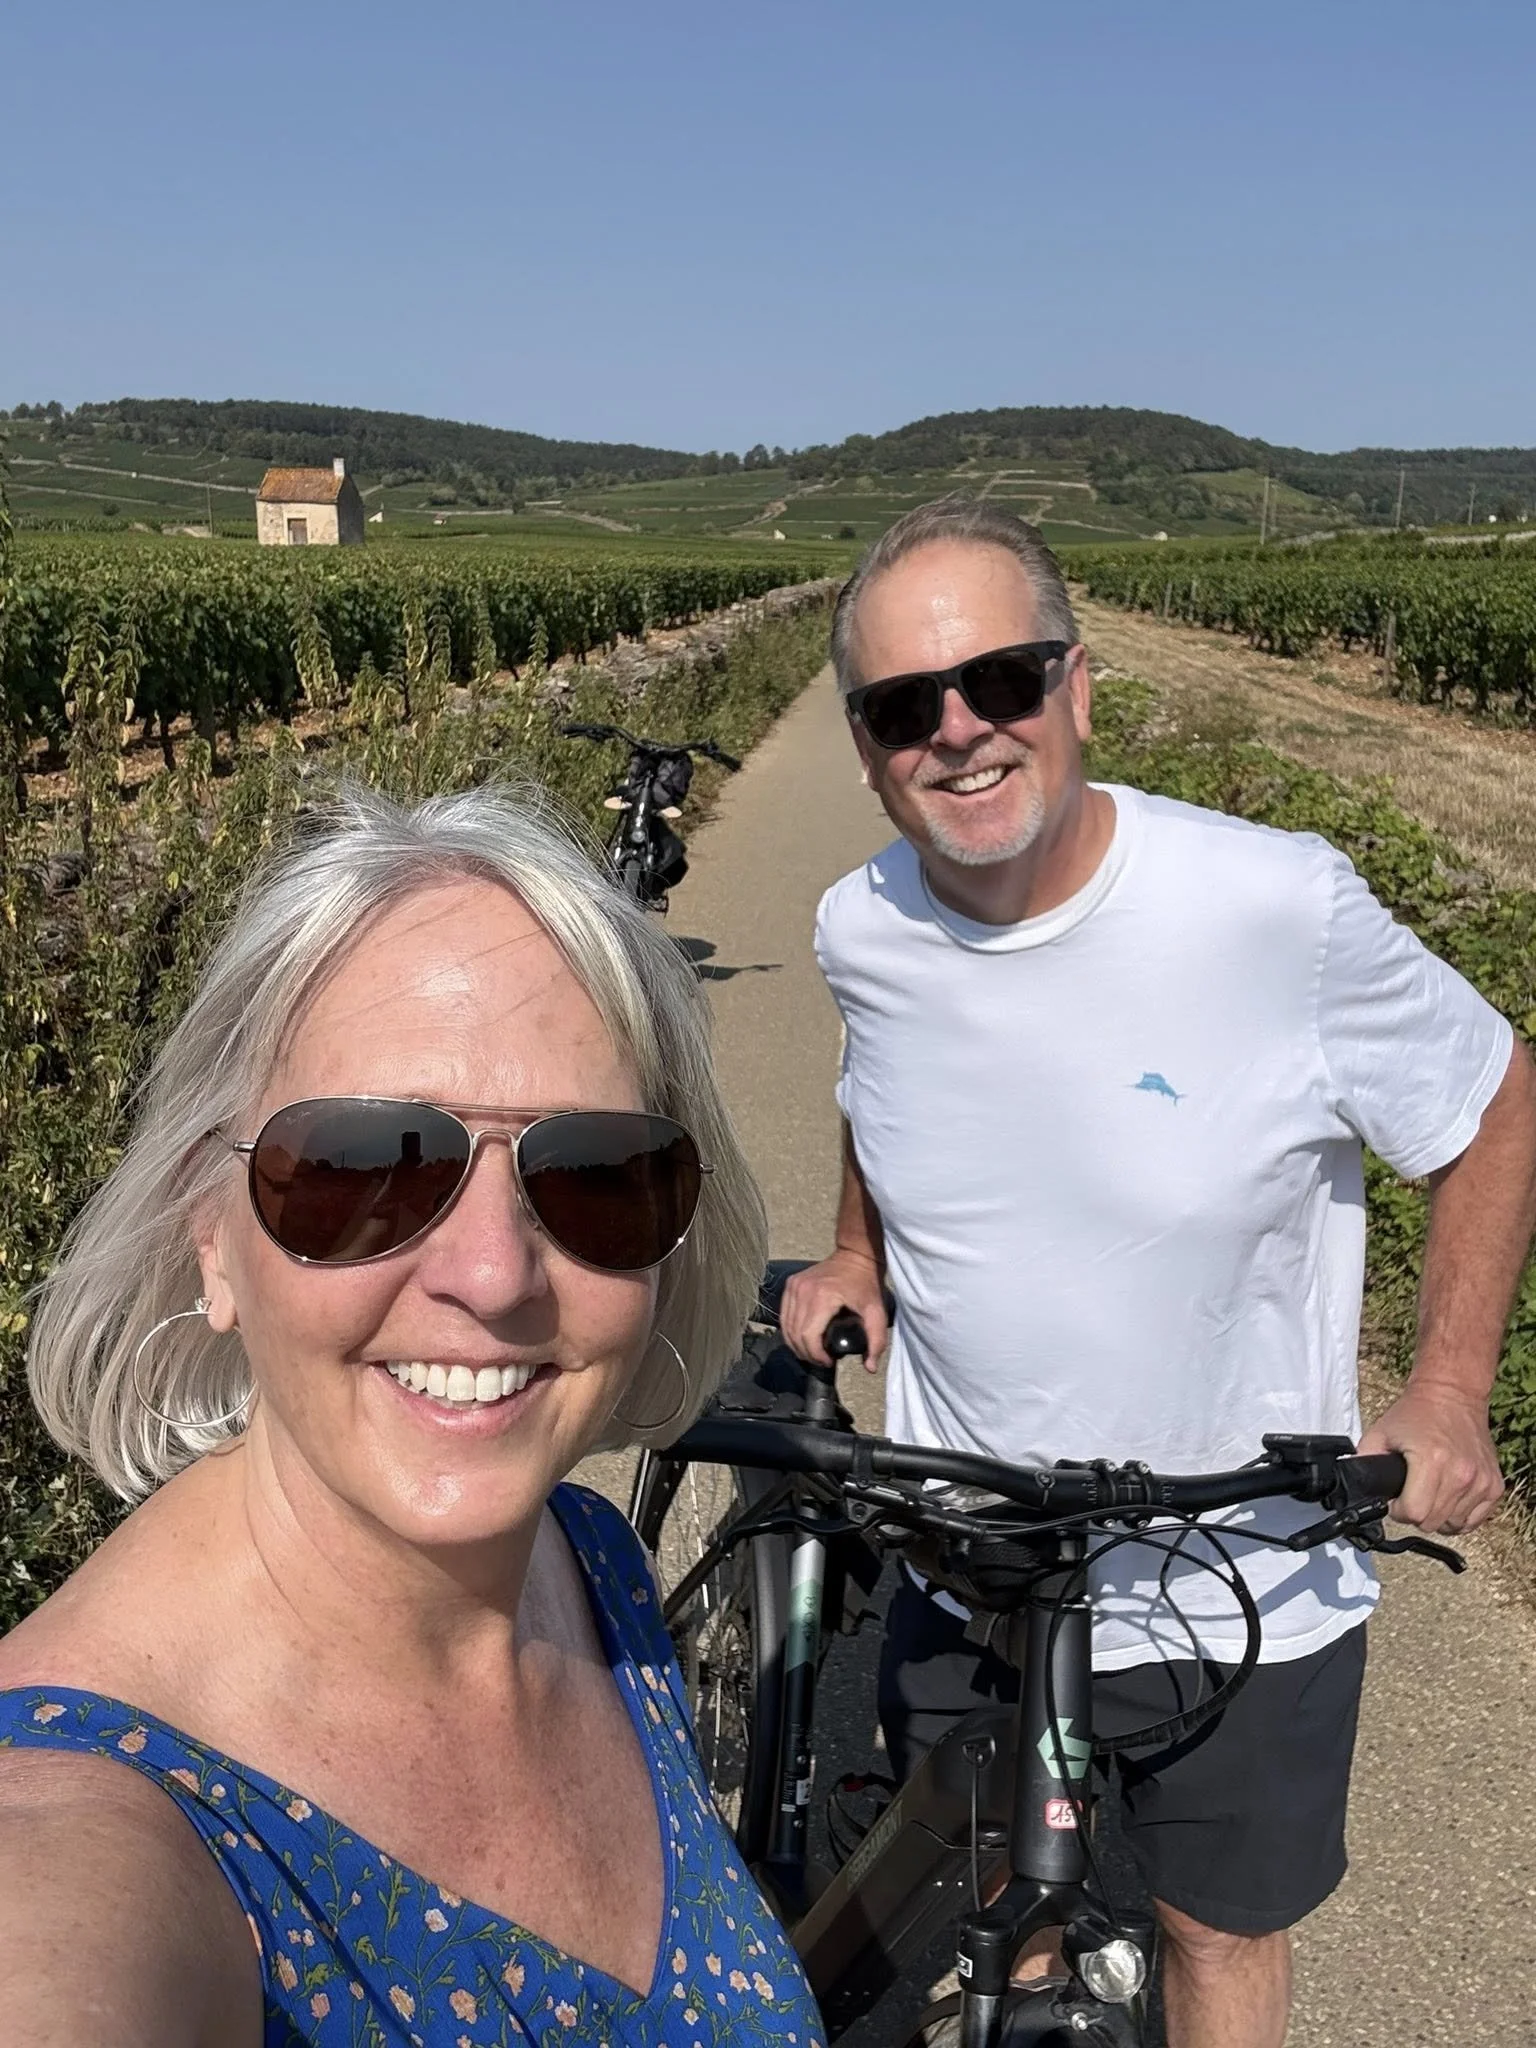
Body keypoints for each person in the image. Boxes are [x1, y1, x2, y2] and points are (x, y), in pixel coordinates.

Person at [780, 498, 1536, 2048]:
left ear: (1078, 686)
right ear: (863, 746)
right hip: (968, 1554)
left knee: (1214, 1937)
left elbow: (1496, 1097)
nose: (960, 733)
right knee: (1006, 1918)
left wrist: (1450, 1390)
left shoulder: (1272, 906)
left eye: (1001, 679)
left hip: (1237, 1573)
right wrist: (858, 1245)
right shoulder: (862, 924)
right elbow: (878, 1086)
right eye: (903, 705)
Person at [0, 782, 825, 2048]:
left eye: (597, 1174)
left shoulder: (585, 1558)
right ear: (209, 1232)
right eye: (365, 1167)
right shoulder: (88, 1820)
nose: (491, 1274)